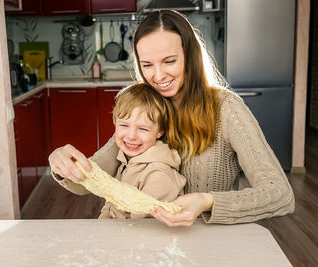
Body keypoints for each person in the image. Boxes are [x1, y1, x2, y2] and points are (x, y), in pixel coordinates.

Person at [49, 10, 294, 226]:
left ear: (191, 56)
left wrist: (207, 201)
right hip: (148, 242)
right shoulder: (145, 108)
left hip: (209, 242)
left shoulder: (226, 109)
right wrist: (61, 163)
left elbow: (280, 194)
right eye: (147, 65)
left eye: (169, 61)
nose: (157, 76)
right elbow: (84, 183)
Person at [86, 83, 186, 219]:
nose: (131, 136)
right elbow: (110, 204)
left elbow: (141, 226)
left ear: (159, 131)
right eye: (124, 125)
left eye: (143, 129)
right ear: (115, 122)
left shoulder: (158, 174)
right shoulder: (126, 159)